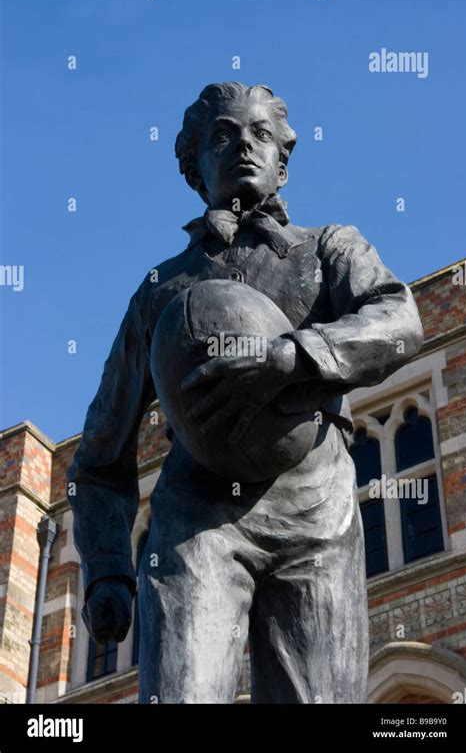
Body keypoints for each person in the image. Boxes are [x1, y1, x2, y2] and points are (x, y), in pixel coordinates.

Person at [68, 82, 424, 703]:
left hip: (316, 513)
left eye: (260, 134)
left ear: (283, 161)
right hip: (196, 517)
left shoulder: (328, 249)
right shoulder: (160, 291)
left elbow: (400, 321)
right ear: (194, 164)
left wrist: (292, 355)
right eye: (223, 135)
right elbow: (101, 456)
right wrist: (106, 570)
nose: (243, 147)